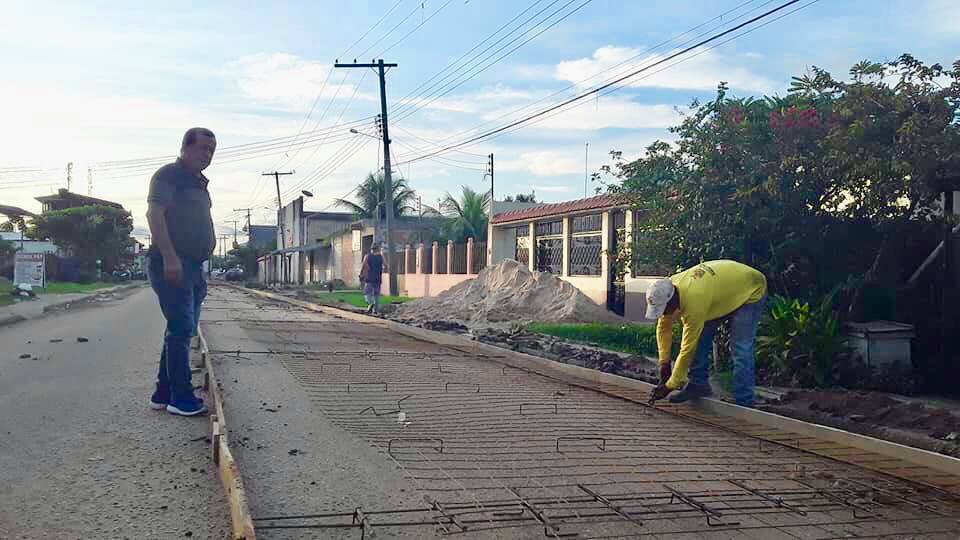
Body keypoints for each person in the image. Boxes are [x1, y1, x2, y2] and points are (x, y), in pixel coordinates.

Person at [145, 127, 217, 416]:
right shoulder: (168, 175)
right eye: (203, 148)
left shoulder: (198, 182)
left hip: (193, 266)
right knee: (180, 330)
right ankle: (182, 398)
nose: (208, 154)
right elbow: (154, 214)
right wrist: (170, 258)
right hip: (172, 263)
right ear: (185, 147)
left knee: (179, 330)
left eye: (212, 150)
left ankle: (163, 393)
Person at [646, 259, 767, 407]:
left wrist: (669, 385)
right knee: (700, 339)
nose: (664, 313)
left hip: (751, 288)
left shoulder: (694, 302)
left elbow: (687, 349)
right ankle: (699, 385)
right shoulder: (668, 288)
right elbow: (663, 328)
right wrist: (664, 364)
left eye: (665, 309)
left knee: (740, 347)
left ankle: (744, 400)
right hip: (721, 292)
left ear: (673, 300)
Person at [359, 244, 384, 314]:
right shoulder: (381, 257)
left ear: (371, 249)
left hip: (370, 277)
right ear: (378, 249)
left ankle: (370, 303)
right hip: (378, 278)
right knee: (377, 294)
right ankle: (376, 310)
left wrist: (361, 273)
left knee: (367, 292)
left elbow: (363, 265)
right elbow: (385, 265)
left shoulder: (367, 256)